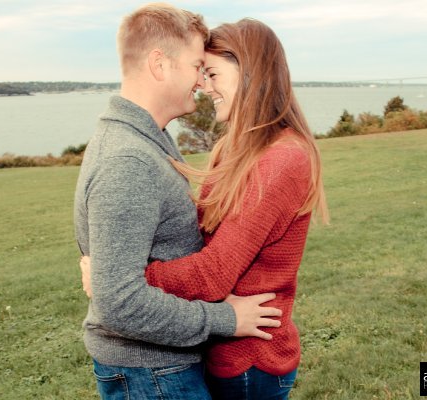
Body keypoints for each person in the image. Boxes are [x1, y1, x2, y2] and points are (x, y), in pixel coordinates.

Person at [81, 17, 329, 400]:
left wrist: (114, 280)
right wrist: (116, 284)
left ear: (250, 73)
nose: (203, 84)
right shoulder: (229, 148)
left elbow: (214, 271)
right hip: (215, 347)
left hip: (249, 355)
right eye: (201, 70)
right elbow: (199, 238)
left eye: (211, 73)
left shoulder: (283, 158)